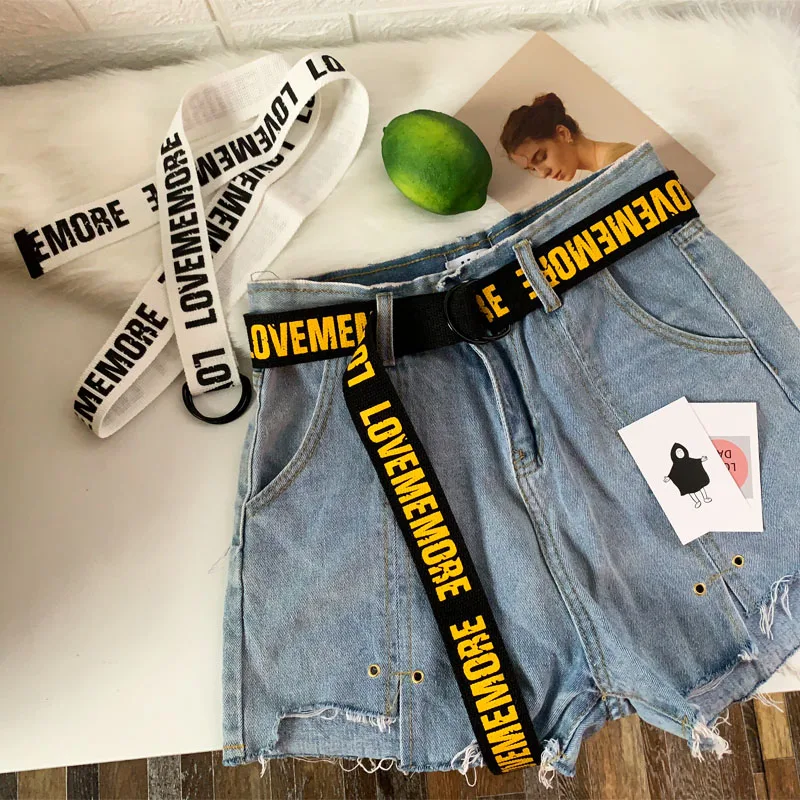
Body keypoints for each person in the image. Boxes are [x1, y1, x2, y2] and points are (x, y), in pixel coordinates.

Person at [500, 92, 635, 182]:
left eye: (541, 157)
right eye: (533, 169)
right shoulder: (605, 171)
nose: (543, 173)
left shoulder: (619, 163)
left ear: (563, 133)